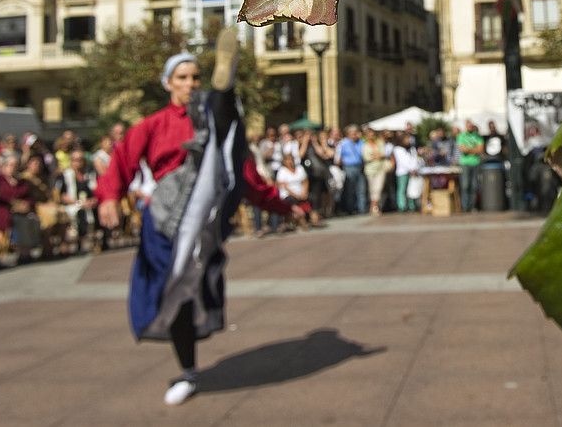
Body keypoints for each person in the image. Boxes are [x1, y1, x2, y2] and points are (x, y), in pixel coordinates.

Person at [96, 31, 305, 406]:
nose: (190, 84)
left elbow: (245, 175)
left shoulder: (202, 118)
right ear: (167, 84)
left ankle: (225, 92)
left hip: (207, 207)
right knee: (174, 295)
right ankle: (189, 371)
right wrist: (109, 197)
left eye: (195, 77)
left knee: (221, 131)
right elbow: (122, 162)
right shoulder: (152, 125)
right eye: (183, 78)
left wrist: (280, 204)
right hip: (166, 220)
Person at [336, 124, 366, 214]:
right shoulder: (343, 143)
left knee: (361, 188)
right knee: (350, 189)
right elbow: (338, 157)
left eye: (356, 133)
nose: (355, 135)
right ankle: (350, 208)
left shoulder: (361, 142)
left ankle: (362, 208)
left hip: (359, 166)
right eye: (353, 133)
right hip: (348, 167)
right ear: (348, 134)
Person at [456, 121, 483, 212]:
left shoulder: (478, 136)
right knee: (465, 185)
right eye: (469, 126)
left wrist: (469, 149)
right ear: (466, 126)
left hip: (475, 163)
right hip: (465, 163)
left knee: (474, 185)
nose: (470, 127)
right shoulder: (461, 136)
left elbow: (480, 150)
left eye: (471, 126)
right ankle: (465, 206)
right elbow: (463, 149)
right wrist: (474, 149)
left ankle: (472, 206)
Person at [362, 125, 388, 215]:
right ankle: (373, 207)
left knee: (378, 188)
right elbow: (366, 157)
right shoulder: (364, 145)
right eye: (369, 134)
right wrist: (377, 155)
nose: (371, 135)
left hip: (380, 169)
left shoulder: (380, 143)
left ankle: (374, 206)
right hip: (370, 170)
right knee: (371, 189)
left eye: (372, 134)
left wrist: (375, 156)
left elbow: (383, 154)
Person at [393, 133, 421, 212]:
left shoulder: (411, 149)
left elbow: (414, 159)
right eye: (406, 139)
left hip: (412, 172)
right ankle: (402, 206)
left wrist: (414, 168)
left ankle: (411, 206)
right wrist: (411, 169)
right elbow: (402, 161)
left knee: (411, 190)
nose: (408, 141)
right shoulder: (398, 149)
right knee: (402, 189)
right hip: (402, 172)